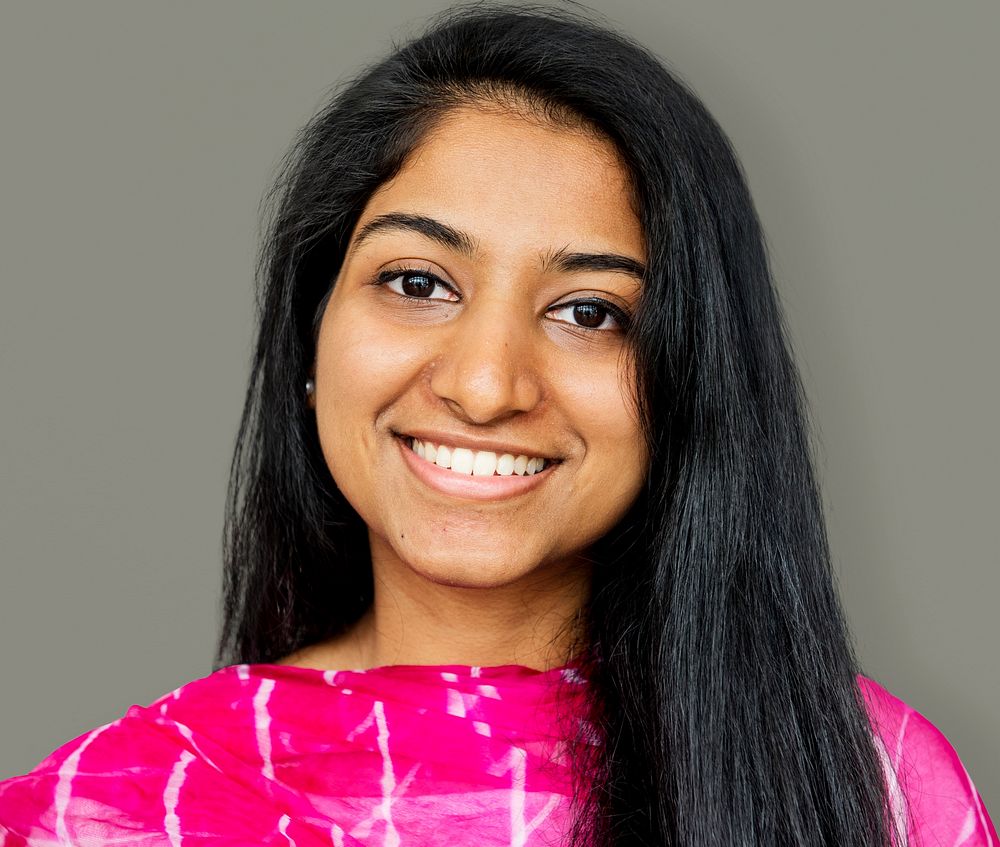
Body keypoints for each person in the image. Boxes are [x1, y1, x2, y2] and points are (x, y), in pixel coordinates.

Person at [0, 4, 994, 845]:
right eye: (418, 283)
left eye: (590, 311)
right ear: (311, 334)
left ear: (690, 377)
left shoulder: (871, 788)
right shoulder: (117, 807)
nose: (484, 385)